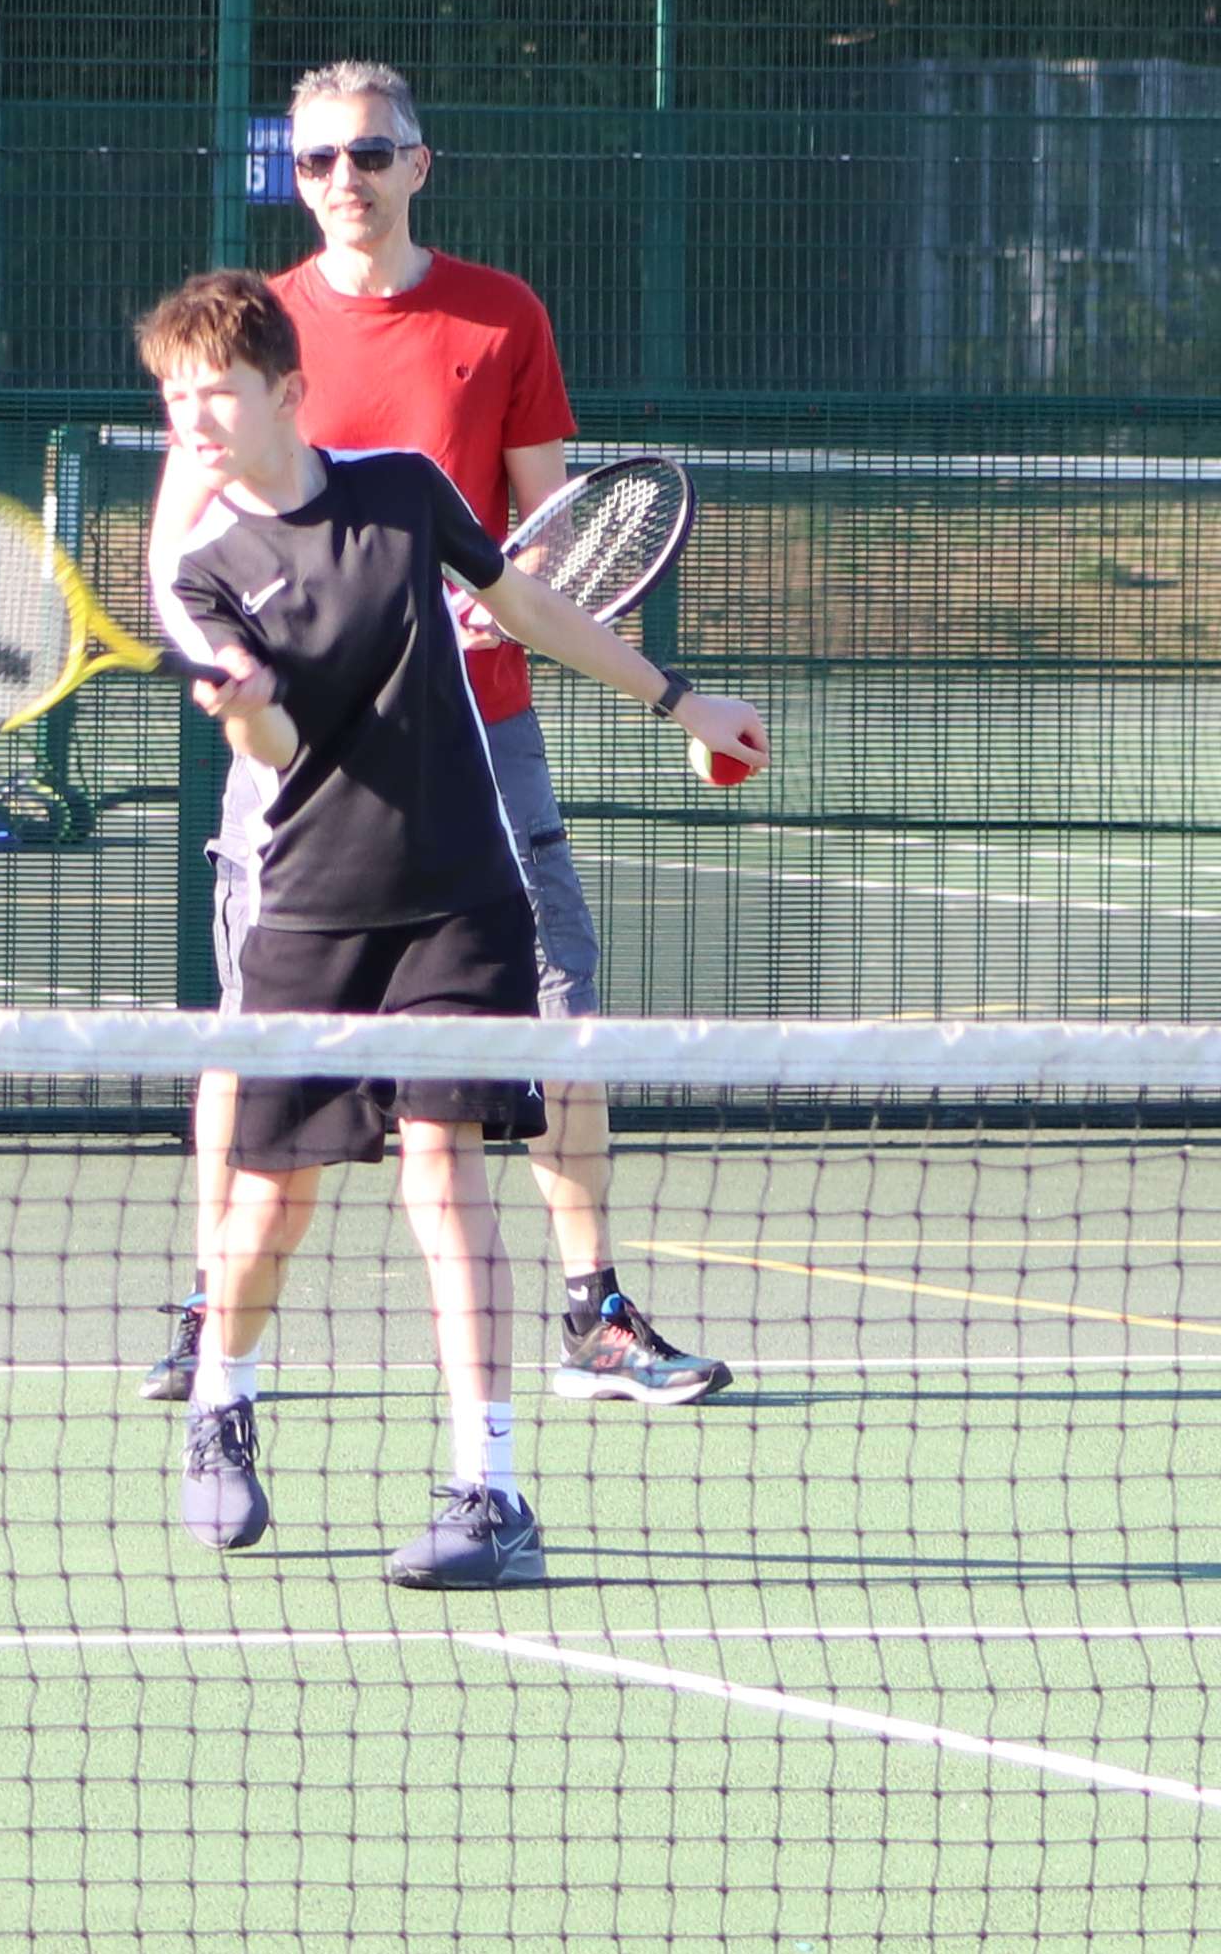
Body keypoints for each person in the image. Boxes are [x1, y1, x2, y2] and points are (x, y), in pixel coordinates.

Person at [134, 269, 765, 1588]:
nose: (194, 418)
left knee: (446, 1175)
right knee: (272, 1204)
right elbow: (284, 746)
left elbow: (527, 606)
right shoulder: (202, 570)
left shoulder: (404, 489)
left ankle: (489, 1488)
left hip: (459, 893)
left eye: (218, 393)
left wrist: (680, 702)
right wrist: (244, 704)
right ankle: (220, 1407)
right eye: (175, 397)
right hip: (310, 907)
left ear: (286, 392)